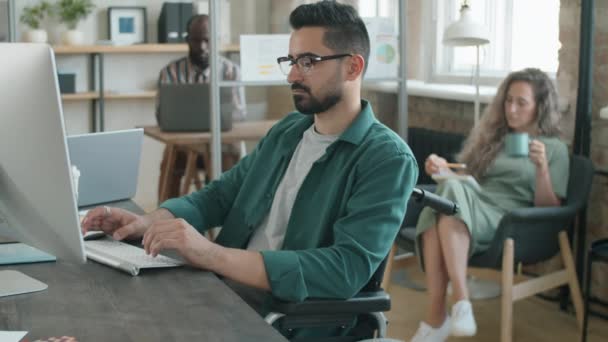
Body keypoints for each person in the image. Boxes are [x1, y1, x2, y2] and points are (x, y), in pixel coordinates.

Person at [83, 1, 417, 339]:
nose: (292, 75)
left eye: (308, 62)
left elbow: (343, 270)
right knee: (104, 304)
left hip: (281, 316)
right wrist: (145, 222)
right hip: (223, 291)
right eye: (291, 60)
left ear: (352, 68)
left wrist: (210, 254)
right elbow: (219, 196)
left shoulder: (386, 159)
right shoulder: (288, 131)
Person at [410, 68, 569, 342]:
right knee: (446, 200)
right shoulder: (494, 140)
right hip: (475, 204)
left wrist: (542, 168)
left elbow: (549, 206)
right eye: (508, 100)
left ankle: (444, 313)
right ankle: (452, 308)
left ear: (539, 107)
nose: (512, 109)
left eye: (521, 102)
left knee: (443, 208)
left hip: (512, 219)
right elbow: (469, 180)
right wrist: (442, 168)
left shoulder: (554, 148)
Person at [156, 14, 247, 200]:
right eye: (196, 40)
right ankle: (162, 219)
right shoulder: (170, 73)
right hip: (184, 147)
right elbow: (162, 116)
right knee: (170, 158)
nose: (202, 47)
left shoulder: (231, 71)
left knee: (232, 154)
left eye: (207, 40)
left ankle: (229, 219)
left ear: (216, 40)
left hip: (222, 147)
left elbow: (240, 113)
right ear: (187, 40)